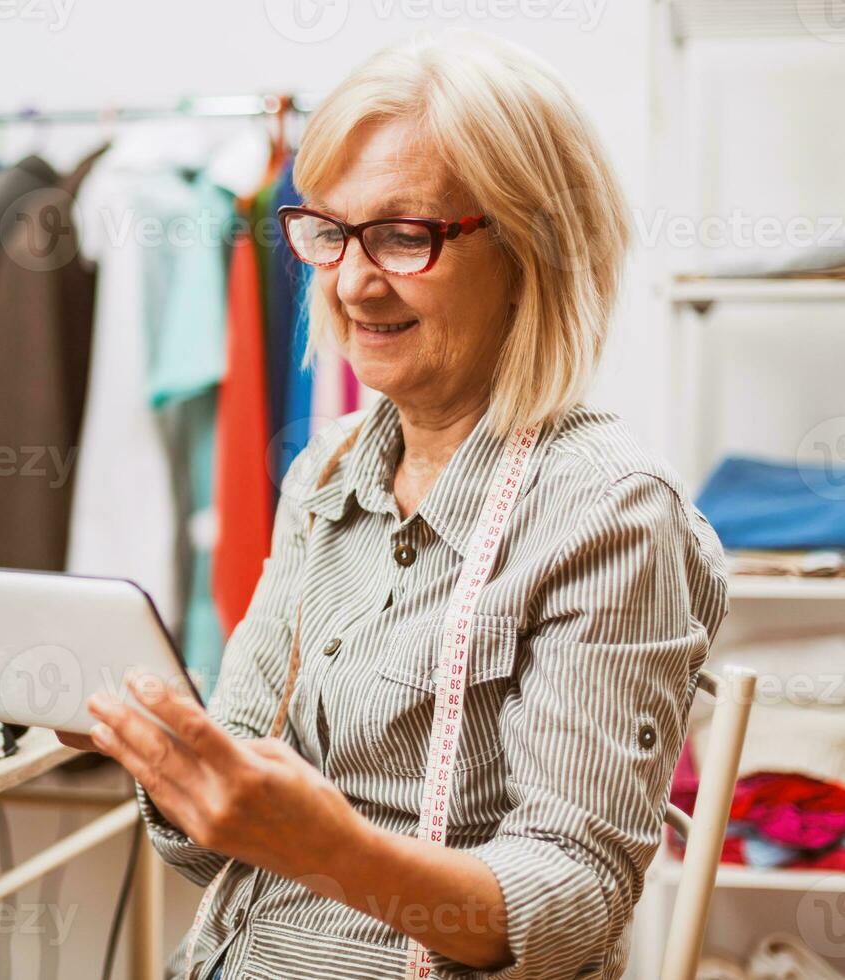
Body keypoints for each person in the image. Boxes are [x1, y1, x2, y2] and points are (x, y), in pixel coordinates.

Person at [58, 31, 729, 979]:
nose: (352, 281)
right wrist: (169, 762)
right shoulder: (326, 474)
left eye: (404, 236)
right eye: (330, 232)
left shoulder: (610, 515)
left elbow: (574, 903)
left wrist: (328, 849)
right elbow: (204, 854)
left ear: (530, 247)